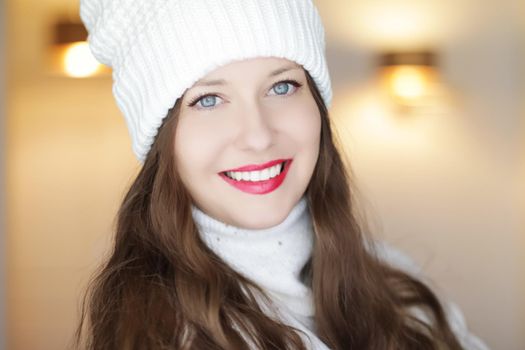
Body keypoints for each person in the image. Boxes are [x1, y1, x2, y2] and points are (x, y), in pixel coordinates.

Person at [76, 0, 489, 349]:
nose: (257, 136)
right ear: (162, 142)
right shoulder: (163, 332)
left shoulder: (399, 287)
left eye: (282, 87)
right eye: (208, 99)